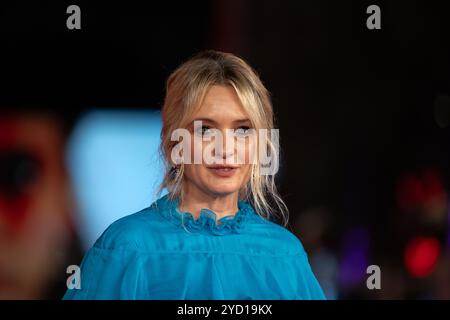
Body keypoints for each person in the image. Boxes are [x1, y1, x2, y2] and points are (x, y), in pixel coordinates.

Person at [63, 50, 326, 299]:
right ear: (174, 143)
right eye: (205, 130)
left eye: (243, 130)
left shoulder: (284, 254)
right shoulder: (127, 248)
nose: (225, 149)